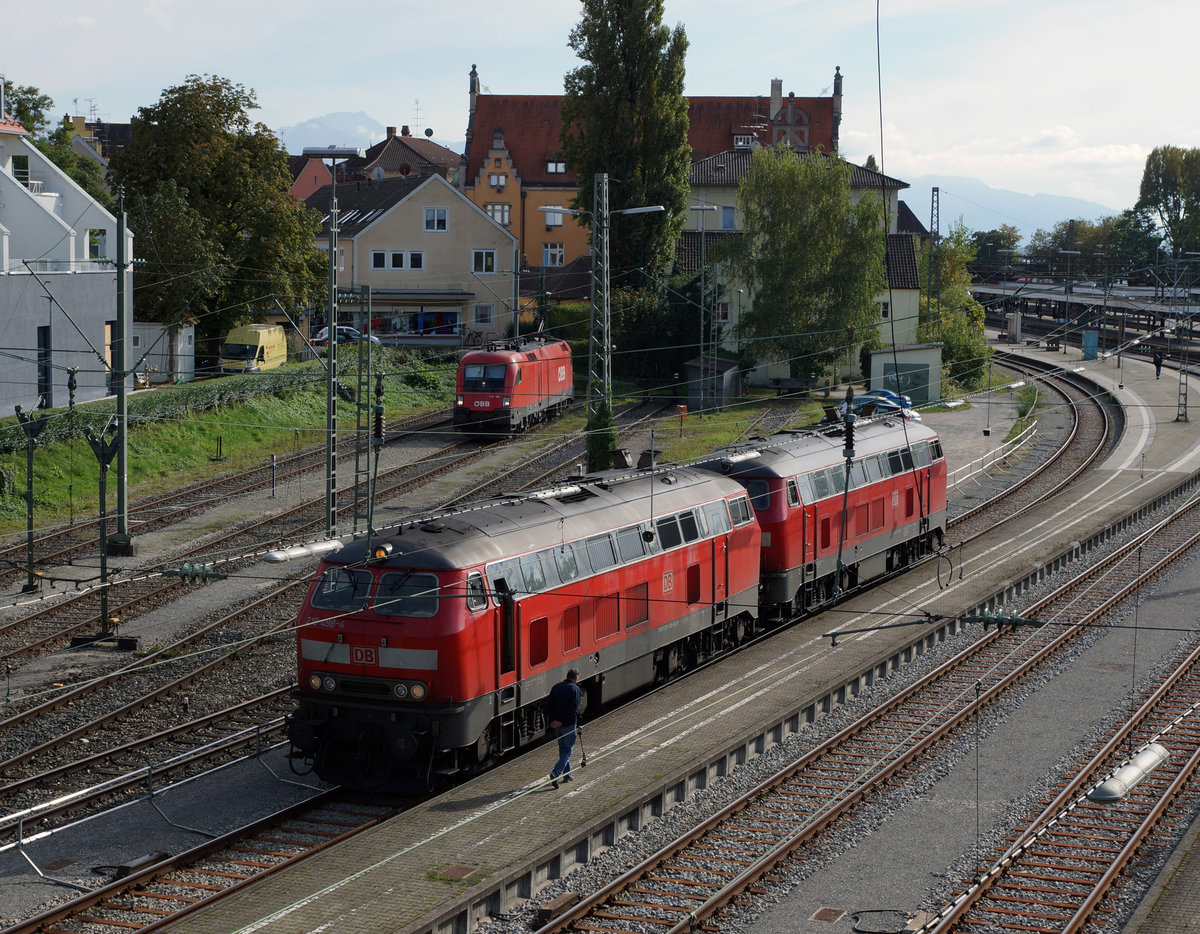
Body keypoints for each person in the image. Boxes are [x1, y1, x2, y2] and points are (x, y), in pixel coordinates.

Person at [546, 669, 582, 788]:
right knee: (567, 751)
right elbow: (574, 710)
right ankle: (556, 773)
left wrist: (553, 722)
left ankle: (567, 775)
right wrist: (562, 722)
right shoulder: (575, 689)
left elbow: (549, 706)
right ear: (575, 678)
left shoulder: (556, 687)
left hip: (557, 725)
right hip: (568, 725)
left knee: (563, 750)